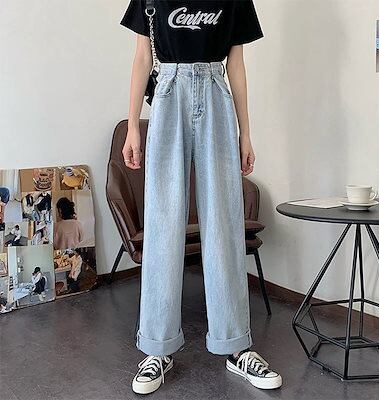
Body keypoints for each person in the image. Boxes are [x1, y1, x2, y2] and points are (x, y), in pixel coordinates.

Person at [120, 0, 282, 395]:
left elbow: (236, 65)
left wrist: (246, 133)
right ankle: (157, 347)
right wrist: (133, 127)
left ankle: (236, 345)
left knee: (224, 223)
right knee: (163, 223)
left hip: (215, 91)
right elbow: (142, 57)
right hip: (168, 93)